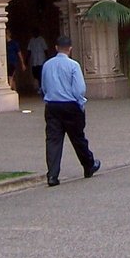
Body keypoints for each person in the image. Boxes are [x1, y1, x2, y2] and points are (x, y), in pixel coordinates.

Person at [41, 35, 100, 187]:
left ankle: (52, 175)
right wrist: (80, 104)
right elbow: (79, 89)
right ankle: (88, 165)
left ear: (56, 47)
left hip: (52, 105)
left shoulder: (47, 65)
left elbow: (44, 86)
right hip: (70, 105)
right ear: (70, 49)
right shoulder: (73, 65)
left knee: (53, 140)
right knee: (78, 137)